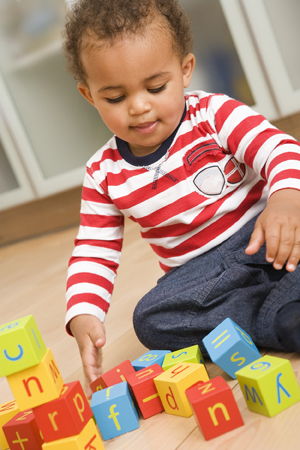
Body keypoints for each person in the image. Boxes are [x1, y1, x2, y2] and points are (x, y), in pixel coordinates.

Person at [62, 0, 300, 398]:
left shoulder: (214, 114)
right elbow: (93, 250)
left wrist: (286, 198)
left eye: (156, 88)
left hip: (266, 239)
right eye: (115, 98)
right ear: (89, 95)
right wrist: (84, 312)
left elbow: (280, 149)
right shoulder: (102, 173)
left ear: (185, 70)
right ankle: (280, 315)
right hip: (204, 277)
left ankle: (271, 313)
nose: (139, 107)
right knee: (150, 319)